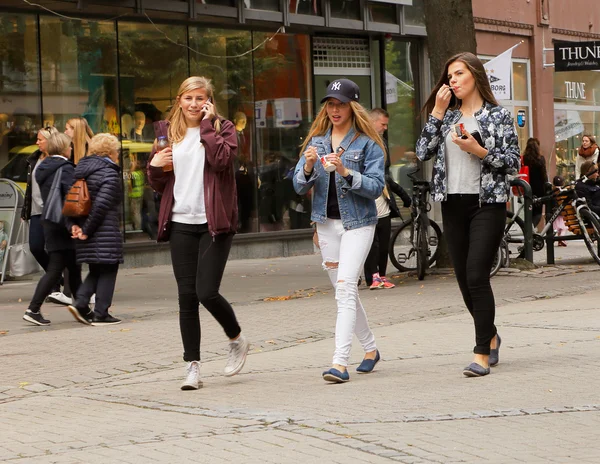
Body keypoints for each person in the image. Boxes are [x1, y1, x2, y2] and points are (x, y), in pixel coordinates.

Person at [416, 52, 520, 377]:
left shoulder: (498, 116)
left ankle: (481, 354)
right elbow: (422, 152)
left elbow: (513, 162)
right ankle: (489, 334)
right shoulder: (446, 117)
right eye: (449, 77)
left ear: (475, 75)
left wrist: (480, 152)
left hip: (487, 203)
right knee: (463, 281)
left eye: (459, 74)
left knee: (477, 275)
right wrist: (435, 113)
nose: (453, 81)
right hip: (453, 204)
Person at [147, 76, 249, 390]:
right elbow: (160, 184)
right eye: (189, 98)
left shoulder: (224, 128)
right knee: (187, 298)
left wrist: (208, 126)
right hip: (180, 223)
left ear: (208, 101)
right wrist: (153, 166)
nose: (194, 104)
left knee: (206, 292)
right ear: (179, 100)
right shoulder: (166, 134)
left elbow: (221, 161)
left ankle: (236, 339)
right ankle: (192, 366)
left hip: (214, 223)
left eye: (200, 98)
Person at [293, 78, 385, 383]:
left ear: (352, 107)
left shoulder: (367, 144)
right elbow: (297, 185)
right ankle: (370, 349)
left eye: (341, 104)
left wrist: (345, 171)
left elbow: (375, 187)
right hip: (326, 225)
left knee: (346, 288)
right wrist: (307, 168)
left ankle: (339, 363)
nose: (335, 109)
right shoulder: (316, 142)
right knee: (343, 292)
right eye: (331, 104)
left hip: (358, 224)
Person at [23, 132, 82, 326]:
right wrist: (73, 223)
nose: (71, 149)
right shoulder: (64, 169)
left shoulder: (42, 168)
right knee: (57, 268)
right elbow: (69, 198)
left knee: (73, 266)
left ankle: (83, 308)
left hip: (50, 220)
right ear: (64, 148)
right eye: (69, 146)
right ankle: (33, 308)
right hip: (62, 222)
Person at [66, 133, 123, 326]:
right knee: (108, 267)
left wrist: (75, 226)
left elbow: (71, 200)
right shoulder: (108, 172)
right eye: (116, 150)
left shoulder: (81, 170)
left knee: (97, 268)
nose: (118, 154)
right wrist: (87, 230)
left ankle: (81, 302)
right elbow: (101, 206)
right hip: (102, 229)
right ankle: (101, 313)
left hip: (86, 227)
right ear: (109, 151)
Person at [364, 108, 411, 289]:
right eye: (382, 124)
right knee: (371, 241)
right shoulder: (361, 142)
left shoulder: (381, 143)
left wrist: (400, 194)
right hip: (367, 196)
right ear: (373, 121)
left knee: (383, 239)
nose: (384, 128)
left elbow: (385, 175)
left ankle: (382, 275)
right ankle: (372, 276)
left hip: (382, 196)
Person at [522, 137, 548, 228]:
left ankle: (528, 229)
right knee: (537, 213)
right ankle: (531, 229)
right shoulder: (540, 159)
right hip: (539, 189)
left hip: (526, 187)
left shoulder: (524, 159)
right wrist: (546, 188)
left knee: (528, 211)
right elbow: (544, 176)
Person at [552, 175, 568, 247]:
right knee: (564, 227)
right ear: (563, 183)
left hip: (554, 212)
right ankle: (561, 238)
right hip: (562, 211)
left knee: (557, 227)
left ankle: (558, 240)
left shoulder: (552, 191)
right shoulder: (564, 191)